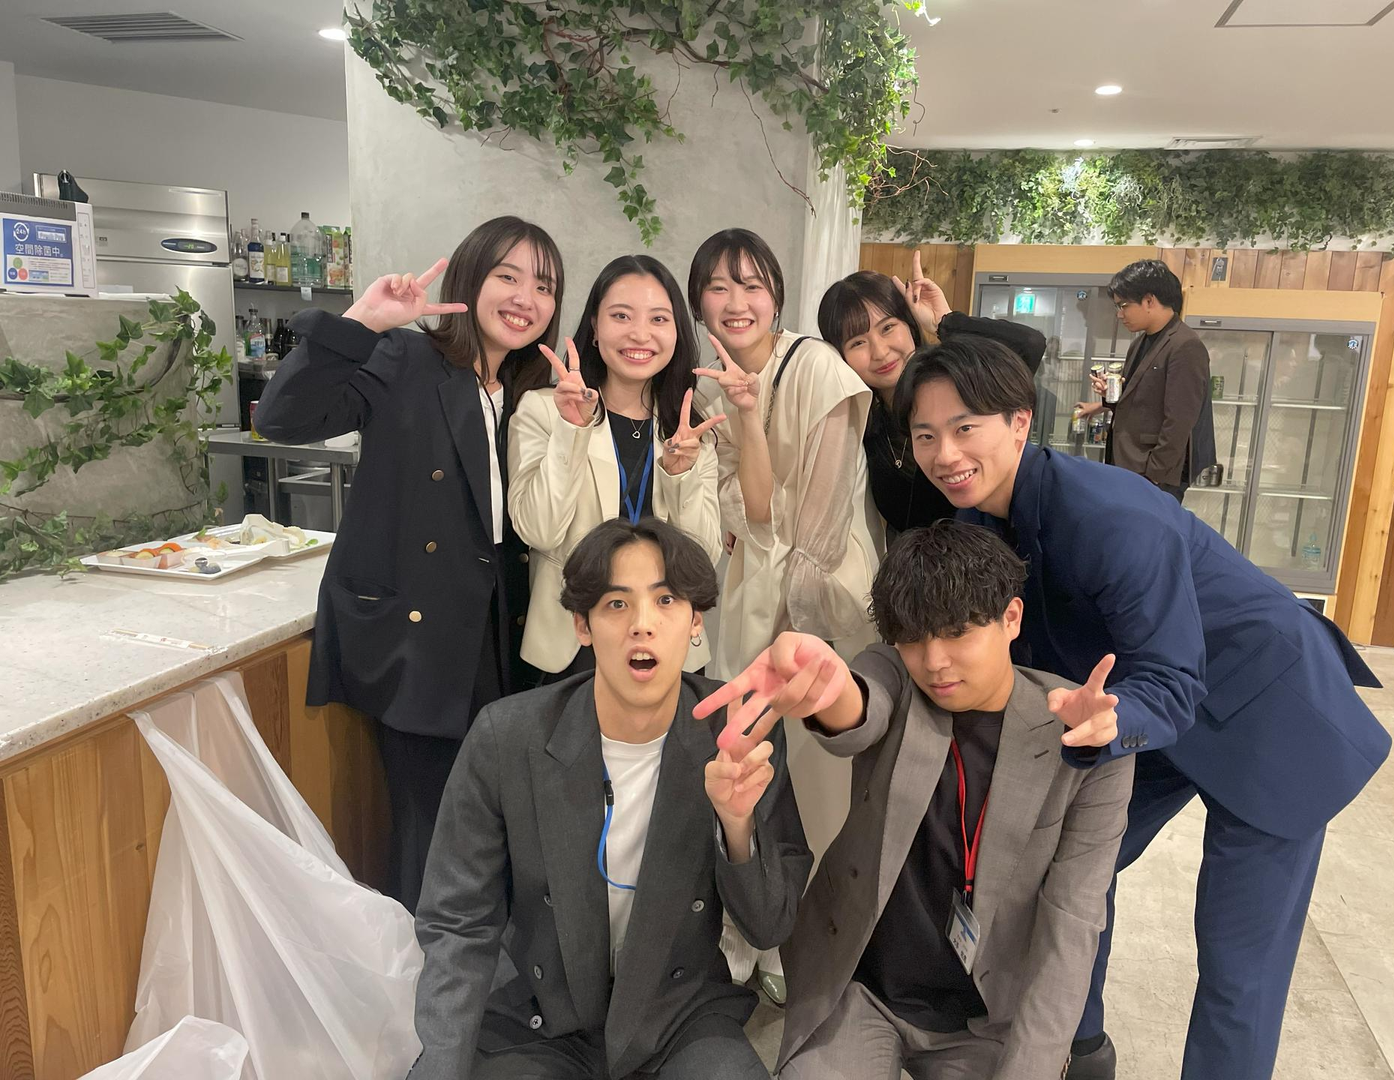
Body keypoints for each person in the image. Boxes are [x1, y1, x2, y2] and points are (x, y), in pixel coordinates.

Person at [895, 335, 1391, 1080]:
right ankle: (1079, 1049)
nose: (946, 453)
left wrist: (1114, 720)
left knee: (1237, 955)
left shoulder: (1110, 516)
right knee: (1066, 870)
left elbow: (1174, 678)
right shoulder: (974, 526)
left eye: (966, 427)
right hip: (1140, 706)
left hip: (1265, 712)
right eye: (926, 434)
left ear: (1020, 423)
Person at [696, 522, 1133, 1079]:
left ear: (1011, 618)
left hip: (988, 1017)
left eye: (957, 633)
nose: (935, 661)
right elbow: (861, 708)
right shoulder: (896, 676)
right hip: (860, 986)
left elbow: (1071, 926)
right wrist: (827, 688)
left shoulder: (1082, 737)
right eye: (914, 639)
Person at [408, 518, 811, 1080]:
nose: (642, 624)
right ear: (583, 624)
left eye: (666, 600)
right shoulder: (508, 737)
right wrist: (439, 1066)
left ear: (696, 620)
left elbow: (770, 926)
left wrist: (736, 826)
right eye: (617, 604)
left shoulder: (737, 732)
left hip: (680, 1016)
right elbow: (459, 921)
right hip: (539, 1014)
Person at [253, 216, 563, 912]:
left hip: (499, 630)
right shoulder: (408, 358)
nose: (525, 298)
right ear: (471, 280)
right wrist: (360, 323)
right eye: (507, 277)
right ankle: (427, 972)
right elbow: (281, 420)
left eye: (544, 286)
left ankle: (479, 963)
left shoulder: (529, 389)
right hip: (419, 635)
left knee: (493, 817)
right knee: (432, 826)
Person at [688, 227, 880, 1000]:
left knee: (821, 778)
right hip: (751, 589)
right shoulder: (710, 385)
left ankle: (813, 947)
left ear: (776, 294)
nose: (736, 302)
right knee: (751, 767)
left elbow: (822, 524)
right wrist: (742, 413)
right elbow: (758, 510)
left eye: (752, 284)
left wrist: (789, 635)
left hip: (823, 597)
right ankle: (755, 930)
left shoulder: (819, 368)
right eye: (718, 287)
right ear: (699, 300)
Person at [509, 255, 724, 681]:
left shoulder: (689, 430)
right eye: (621, 316)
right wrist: (572, 431)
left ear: (676, 332)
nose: (640, 334)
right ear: (594, 326)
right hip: (573, 643)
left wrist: (680, 475)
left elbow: (703, 559)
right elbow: (539, 530)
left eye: (658, 319)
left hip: (666, 642)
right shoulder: (544, 411)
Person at [818, 252, 1045, 536]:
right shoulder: (862, 426)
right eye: (858, 342)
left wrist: (943, 322)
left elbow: (1029, 345)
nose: (880, 351)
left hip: (998, 553)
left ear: (910, 324)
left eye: (888, 328)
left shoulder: (961, 384)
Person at [1075, 259, 1217, 502]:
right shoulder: (1140, 342)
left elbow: (1179, 421)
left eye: (1124, 305)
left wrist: (1154, 476)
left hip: (1153, 472)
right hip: (1130, 462)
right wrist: (1108, 396)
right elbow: (1140, 398)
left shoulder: (1185, 345)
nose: (1120, 314)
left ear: (1149, 301)